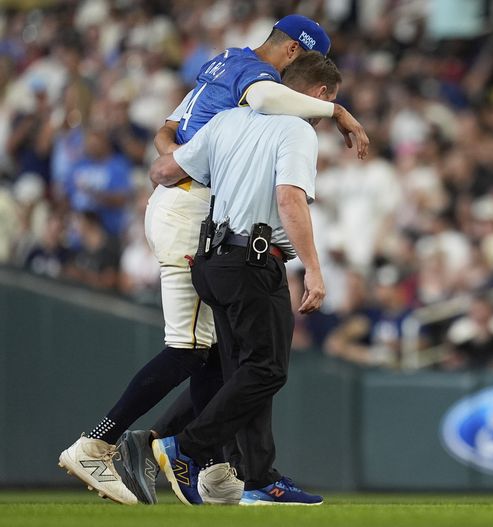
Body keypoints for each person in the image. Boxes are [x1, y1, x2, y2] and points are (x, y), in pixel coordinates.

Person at [58, 15, 368, 507]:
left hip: (183, 201)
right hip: (195, 217)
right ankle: (105, 443)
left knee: (215, 351)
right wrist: (339, 113)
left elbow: (164, 141)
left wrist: (190, 165)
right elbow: (268, 106)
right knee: (190, 348)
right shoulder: (259, 85)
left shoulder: (221, 71)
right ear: (292, 54)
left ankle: (216, 468)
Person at [145, 52, 339, 506]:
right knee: (267, 370)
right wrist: (313, 268)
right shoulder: (295, 129)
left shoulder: (228, 120)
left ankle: (255, 478)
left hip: (211, 258)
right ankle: (183, 444)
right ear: (321, 95)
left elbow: (162, 171)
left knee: (243, 370)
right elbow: (290, 200)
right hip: (253, 259)